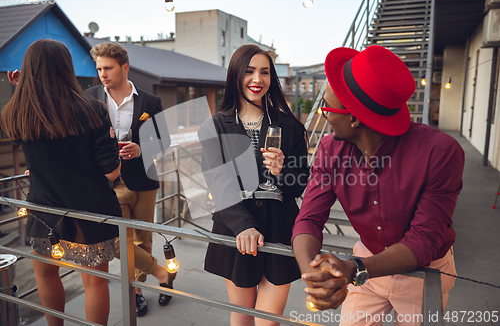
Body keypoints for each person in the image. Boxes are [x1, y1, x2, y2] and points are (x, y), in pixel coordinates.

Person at [292, 45, 465, 325]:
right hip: (366, 259)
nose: (325, 116)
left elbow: (423, 240)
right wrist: (313, 276)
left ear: (354, 117)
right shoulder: (329, 149)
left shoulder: (441, 152)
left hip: (425, 271)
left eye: (327, 108)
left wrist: (355, 268)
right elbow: (308, 219)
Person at [1, 39, 122, 326]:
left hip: (44, 211)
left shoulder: (16, 112)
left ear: (28, 71)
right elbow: (111, 171)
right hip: (90, 213)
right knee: (94, 283)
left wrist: (22, 91)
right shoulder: (93, 109)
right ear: (66, 68)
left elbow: (40, 126)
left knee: (45, 275)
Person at [198, 44, 309, 326]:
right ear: (235, 75)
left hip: (280, 228)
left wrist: (285, 171)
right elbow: (218, 181)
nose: (257, 79)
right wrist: (243, 225)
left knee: (268, 320)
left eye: (265, 72)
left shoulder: (290, 126)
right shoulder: (216, 126)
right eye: (249, 71)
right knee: (243, 313)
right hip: (236, 228)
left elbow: (300, 185)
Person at [85, 42, 172, 316]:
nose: (102, 74)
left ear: (124, 67)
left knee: (142, 240)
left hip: (144, 180)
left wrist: (142, 148)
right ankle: (163, 273)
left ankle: (136, 290)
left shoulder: (150, 101)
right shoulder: (89, 98)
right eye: (99, 68)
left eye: (108, 68)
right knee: (121, 240)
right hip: (108, 184)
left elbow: (164, 140)